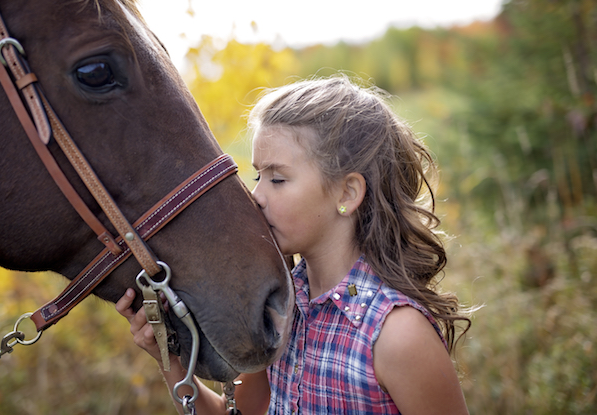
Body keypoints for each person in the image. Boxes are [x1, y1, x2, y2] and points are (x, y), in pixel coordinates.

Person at [116, 74, 472, 414]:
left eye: (278, 178)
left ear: (347, 193)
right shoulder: (277, 311)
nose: (255, 196)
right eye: (258, 176)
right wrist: (169, 357)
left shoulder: (397, 335)